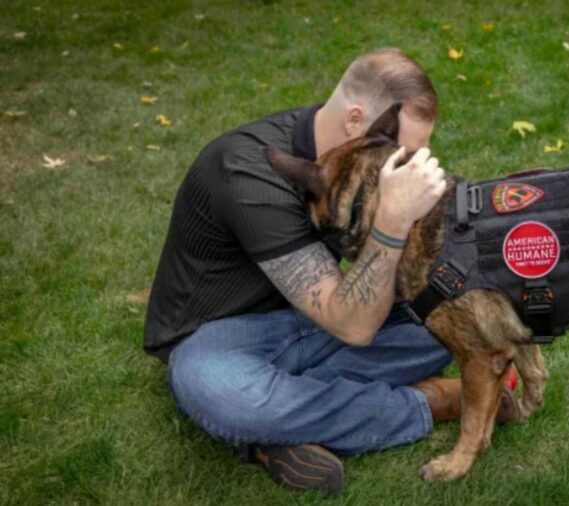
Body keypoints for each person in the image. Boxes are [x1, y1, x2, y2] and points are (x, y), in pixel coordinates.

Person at [143, 48, 518, 495]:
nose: (407, 169)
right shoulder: (248, 176)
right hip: (223, 338)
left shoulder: (351, 158)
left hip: (318, 318)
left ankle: (287, 426)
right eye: (402, 155)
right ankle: (432, 401)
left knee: (447, 309)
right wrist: (394, 220)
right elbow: (354, 326)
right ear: (358, 122)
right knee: (220, 393)